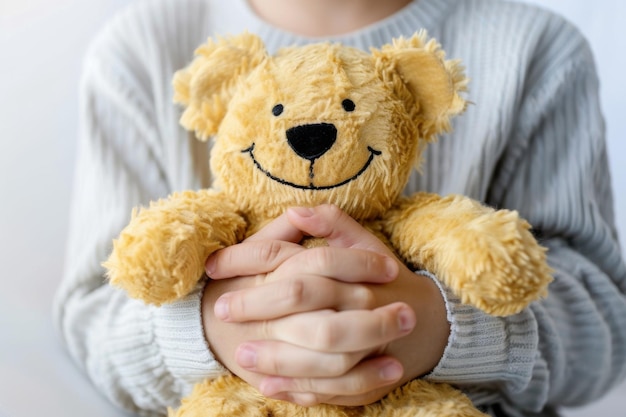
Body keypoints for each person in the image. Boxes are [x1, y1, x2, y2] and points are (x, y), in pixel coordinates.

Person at [53, 0, 626, 416]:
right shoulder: (141, 48)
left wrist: (434, 329)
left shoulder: (536, 49)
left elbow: (606, 331)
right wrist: (216, 326)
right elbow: (91, 319)